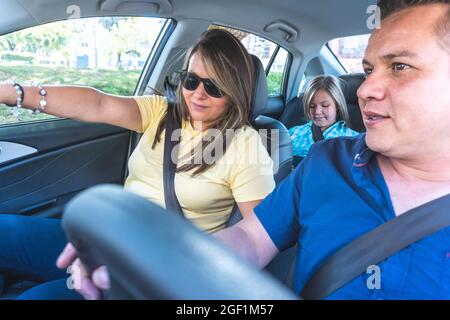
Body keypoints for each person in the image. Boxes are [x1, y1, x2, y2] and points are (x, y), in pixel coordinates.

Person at [61, 0, 450, 300]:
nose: (365, 90)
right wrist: (146, 258)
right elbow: (250, 239)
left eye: (399, 66)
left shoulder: (248, 145)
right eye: (367, 71)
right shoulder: (326, 163)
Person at [0, 29, 275, 299]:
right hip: (110, 235)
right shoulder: (163, 112)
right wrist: (14, 94)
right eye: (191, 81)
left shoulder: (247, 146)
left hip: (157, 266)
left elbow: (257, 236)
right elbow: (98, 104)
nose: (198, 94)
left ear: (234, 90)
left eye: (213, 87)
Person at [289, 75, 358, 160]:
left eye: (325, 106)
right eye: (312, 106)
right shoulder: (293, 133)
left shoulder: (352, 139)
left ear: (337, 105)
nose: (317, 112)